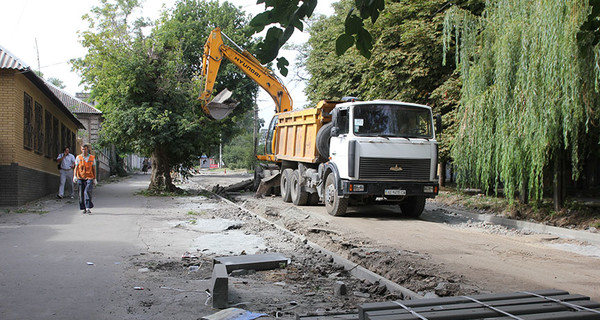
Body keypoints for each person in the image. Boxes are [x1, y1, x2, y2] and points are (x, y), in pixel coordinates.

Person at [73, 144, 97, 214]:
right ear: (81, 149)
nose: (84, 150)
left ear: (87, 149)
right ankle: (83, 208)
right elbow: (76, 167)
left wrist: (95, 179)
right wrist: (74, 176)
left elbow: (94, 169)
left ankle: (88, 207)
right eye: (83, 149)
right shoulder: (78, 157)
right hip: (80, 177)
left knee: (87, 192)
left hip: (89, 177)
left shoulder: (92, 158)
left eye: (85, 149)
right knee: (81, 193)